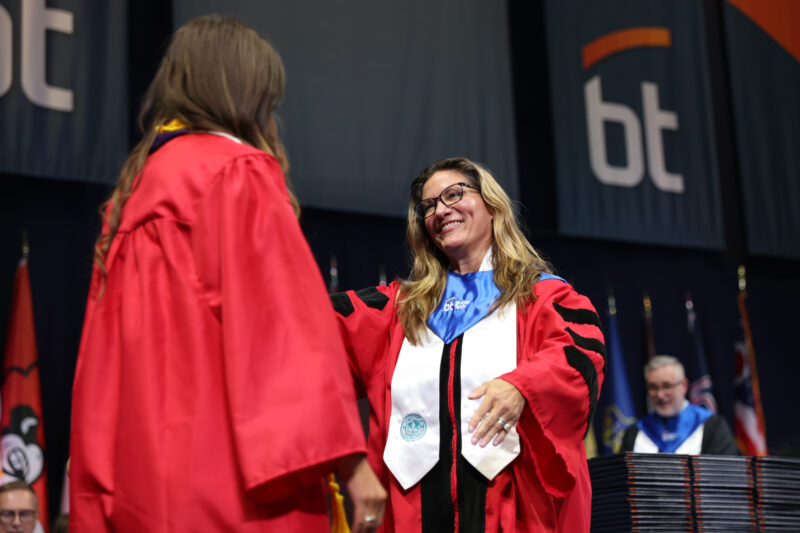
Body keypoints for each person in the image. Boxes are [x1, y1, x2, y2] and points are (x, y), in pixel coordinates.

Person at [69, 15, 385, 532]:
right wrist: (350, 462)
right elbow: (284, 336)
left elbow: (98, 378)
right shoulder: (236, 174)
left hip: (143, 487)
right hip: (231, 486)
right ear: (244, 95)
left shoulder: (132, 198)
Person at [331, 157, 606, 532]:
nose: (441, 210)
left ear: (492, 206)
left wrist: (522, 386)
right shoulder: (398, 311)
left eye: (454, 194)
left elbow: (577, 357)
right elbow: (317, 327)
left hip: (513, 509)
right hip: (413, 512)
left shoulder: (542, 297)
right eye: (428, 206)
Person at [622, 355, 738, 455]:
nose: (660, 395)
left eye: (667, 386)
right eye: (653, 388)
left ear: (684, 385)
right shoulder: (635, 432)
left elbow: (726, 475)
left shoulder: (713, 427)